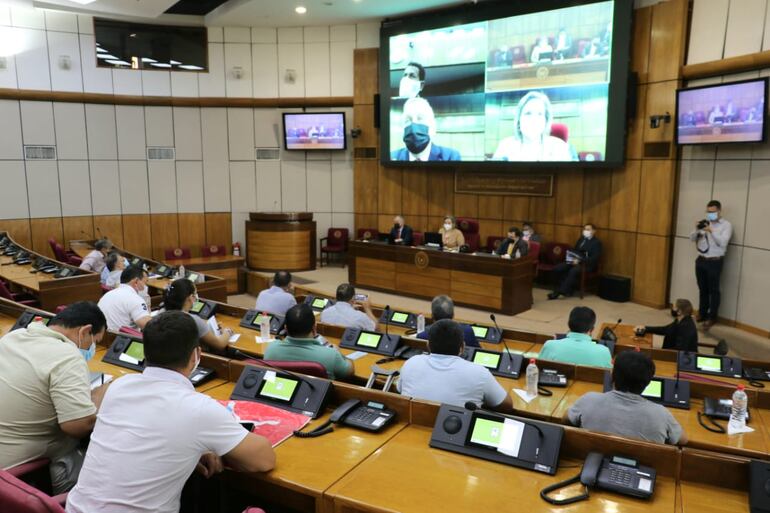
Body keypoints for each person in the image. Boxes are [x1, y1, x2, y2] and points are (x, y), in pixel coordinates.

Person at [66, 312, 275, 513]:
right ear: (196, 355)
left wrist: (193, 448)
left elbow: (143, 430)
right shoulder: (199, 409)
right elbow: (264, 460)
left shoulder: (118, 386)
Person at [0, 302, 108, 494]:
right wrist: (103, 394)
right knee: (111, 469)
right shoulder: (68, 356)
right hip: (21, 474)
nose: (92, 348)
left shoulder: (14, 337)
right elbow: (77, 426)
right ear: (85, 331)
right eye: (95, 342)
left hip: (7, 457)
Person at [567, 351, 686, 445]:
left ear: (612, 377)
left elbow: (566, 420)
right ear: (648, 383)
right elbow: (683, 440)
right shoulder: (661, 414)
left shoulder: (588, 400)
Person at [399, 319, 513, 411]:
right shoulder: (479, 373)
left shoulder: (411, 363)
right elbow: (507, 404)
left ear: (428, 345)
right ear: (462, 348)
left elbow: (400, 389)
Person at [265, 304, 354, 380]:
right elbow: (350, 371)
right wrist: (340, 354)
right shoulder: (331, 355)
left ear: (285, 329)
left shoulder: (271, 349)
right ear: (314, 328)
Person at [493, 91, 575, 162]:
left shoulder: (560, 147)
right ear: (518, 120)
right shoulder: (505, 146)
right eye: (528, 113)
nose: (534, 119)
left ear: (545, 121)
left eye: (539, 114)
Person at [689, 200, 732, 329]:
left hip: (715, 261)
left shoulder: (726, 225)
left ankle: (712, 317)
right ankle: (702, 313)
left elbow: (723, 243)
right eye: (708, 212)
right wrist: (697, 229)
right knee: (702, 289)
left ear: (719, 210)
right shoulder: (704, 223)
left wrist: (711, 231)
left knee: (714, 291)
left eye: (712, 212)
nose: (710, 214)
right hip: (701, 260)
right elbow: (691, 239)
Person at [161, 278, 234, 353]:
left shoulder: (160, 314)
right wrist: (227, 332)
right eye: (195, 293)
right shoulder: (192, 320)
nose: (196, 297)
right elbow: (220, 344)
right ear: (190, 297)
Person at [391, 97, 461, 162]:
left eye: (420, 118)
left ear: (433, 127)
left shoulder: (451, 157)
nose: (414, 125)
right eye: (408, 120)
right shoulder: (392, 157)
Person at [539, 306, 612, 368]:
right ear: (592, 329)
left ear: (568, 324)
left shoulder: (550, 345)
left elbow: (538, 367)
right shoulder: (603, 351)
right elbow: (608, 378)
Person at [548, 223, 602, 299]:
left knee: (573, 271)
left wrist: (580, 261)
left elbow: (594, 258)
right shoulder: (581, 239)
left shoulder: (597, 243)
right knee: (558, 268)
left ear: (594, 231)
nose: (585, 231)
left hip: (586, 264)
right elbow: (575, 250)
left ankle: (559, 292)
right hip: (574, 261)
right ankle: (566, 289)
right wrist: (571, 257)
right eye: (585, 229)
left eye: (588, 229)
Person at [97, 265, 152, 331]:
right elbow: (149, 327)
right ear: (136, 281)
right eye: (145, 282)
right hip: (124, 339)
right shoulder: (135, 299)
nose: (145, 286)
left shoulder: (106, 295)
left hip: (105, 338)